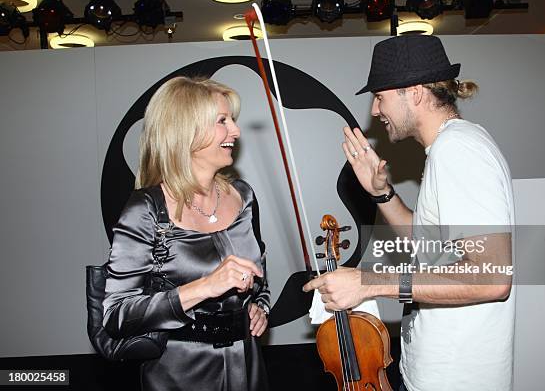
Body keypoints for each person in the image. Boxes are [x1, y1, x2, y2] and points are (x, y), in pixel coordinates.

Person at [304, 35, 515, 391]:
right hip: (434, 371)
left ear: (414, 93)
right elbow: (431, 246)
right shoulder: (449, 148)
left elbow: (491, 277)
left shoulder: (458, 150)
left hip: (456, 379)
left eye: (380, 96)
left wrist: (369, 283)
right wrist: (381, 194)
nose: (374, 110)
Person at [103, 76, 270, 391]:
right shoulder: (146, 209)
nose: (235, 130)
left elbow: (259, 277)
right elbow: (117, 314)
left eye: (232, 120)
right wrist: (206, 286)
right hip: (179, 373)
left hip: (247, 365)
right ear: (186, 131)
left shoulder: (243, 196)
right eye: (222, 121)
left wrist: (258, 306)